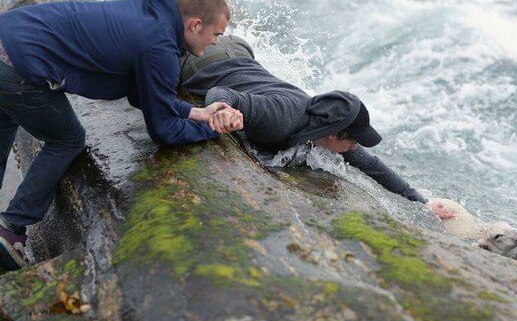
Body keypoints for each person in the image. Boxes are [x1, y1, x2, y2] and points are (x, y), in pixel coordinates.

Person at [0, 0, 244, 271]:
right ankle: (12, 227)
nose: (216, 42)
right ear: (195, 25)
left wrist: (198, 113)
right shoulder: (160, 48)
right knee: (67, 140)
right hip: (17, 64)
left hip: (8, 36)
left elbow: (148, 96)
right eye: (216, 34)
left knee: (6, 122)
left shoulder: (150, 16)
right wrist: (215, 130)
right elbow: (163, 130)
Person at [179, 35, 456, 219]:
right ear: (334, 133)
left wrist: (422, 204)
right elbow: (221, 91)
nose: (354, 147)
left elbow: (371, 165)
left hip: (240, 49)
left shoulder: (321, 125)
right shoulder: (281, 117)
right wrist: (220, 110)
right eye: (353, 140)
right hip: (201, 60)